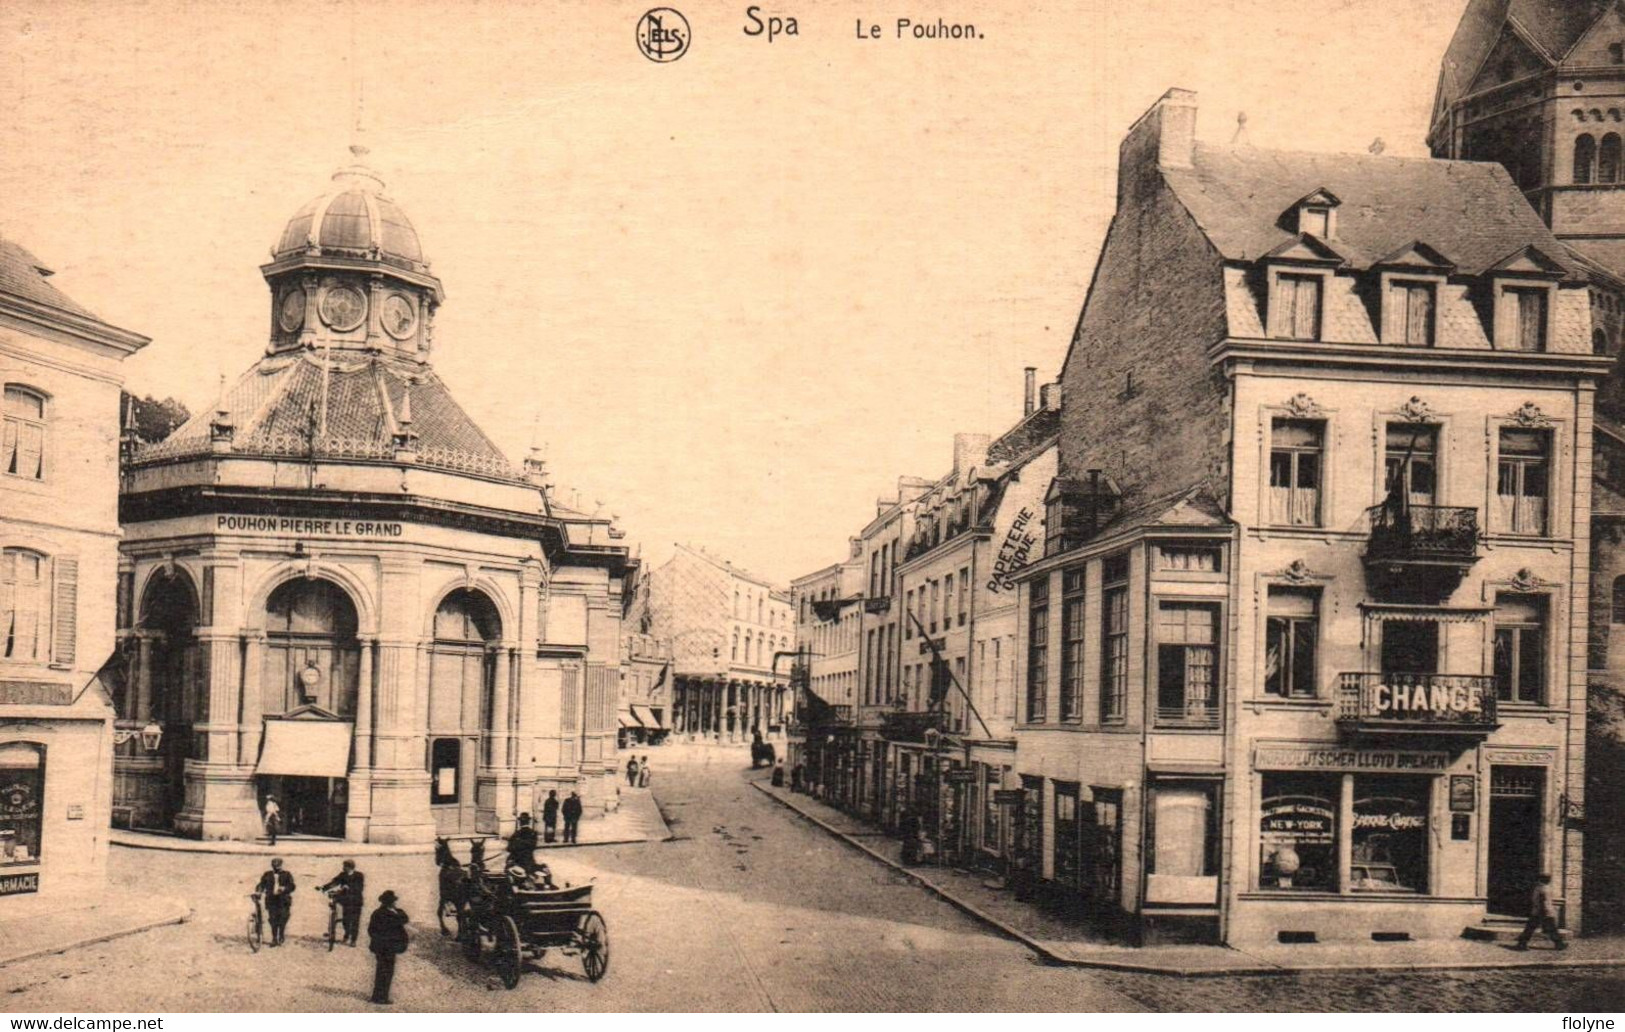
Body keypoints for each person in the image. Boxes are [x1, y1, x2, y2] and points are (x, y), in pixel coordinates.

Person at [366, 890, 410, 1005]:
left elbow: (405, 918)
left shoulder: (379, 912)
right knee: (386, 972)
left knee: (382, 971)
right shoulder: (384, 914)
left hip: (384, 947)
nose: (395, 903)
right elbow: (402, 920)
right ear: (389, 903)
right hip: (386, 947)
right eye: (393, 901)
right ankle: (381, 997)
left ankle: (378, 996)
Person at [318, 859, 366, 947]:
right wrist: (324, 887)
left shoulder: (359, 875)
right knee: (346, 920)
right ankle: (347, 935)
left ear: (349, 867)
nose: (343, 868)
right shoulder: (342, 875)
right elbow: (334, 882)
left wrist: (349, 887)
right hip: (346, 902)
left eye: (345, 866)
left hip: (356, 902)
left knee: (355, 921)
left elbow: (360, 887)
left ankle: (353, 940)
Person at [1515, 872, 1566, 950]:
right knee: (1552, 929)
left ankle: (1522, 943)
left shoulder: (1538, 887)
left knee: (1530, 928)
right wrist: (1544, 912)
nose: (1549, 880)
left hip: (1537, 911)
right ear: (1544, 879)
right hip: (1544, 912)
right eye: (1548, 878)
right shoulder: (1544, 888)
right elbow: (1543, 902)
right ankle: (1559, 944)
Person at [255, 857, 295, 946]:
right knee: (273, 919)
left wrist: (284, 888)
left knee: (283, 918)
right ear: (272, 866)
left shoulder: (287, 874)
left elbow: (292, 886)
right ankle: (274, 938)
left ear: (281, 866)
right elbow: (261, 884)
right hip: (271, 900)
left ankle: (281, 934)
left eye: (278, 866)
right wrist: (259, 891)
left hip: (283, 900)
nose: (277, 868)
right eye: (275, 866)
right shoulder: (267, 874)